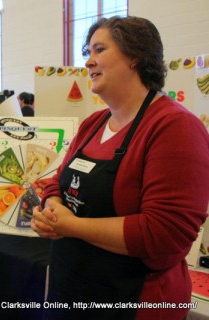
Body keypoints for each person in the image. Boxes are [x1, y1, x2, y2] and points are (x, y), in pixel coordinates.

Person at [31, 16, 208, 320]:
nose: (88, 62)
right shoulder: (92, 124)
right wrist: (51, 208)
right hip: (71, 289)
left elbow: (163, 233)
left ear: (136, 56)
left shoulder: (174, 127)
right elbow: (57, 182)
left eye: (99, 50)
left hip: (135, 299)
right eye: (87, 52)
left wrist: (70, 226)